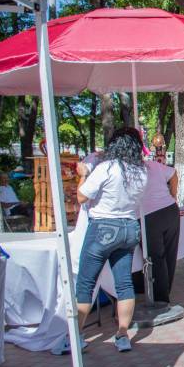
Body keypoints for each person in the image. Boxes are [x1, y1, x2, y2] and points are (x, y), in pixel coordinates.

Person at [58, 127, 148, 354]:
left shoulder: (106, 167)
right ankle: (123, 334)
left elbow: (81, 197)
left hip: (103, 227)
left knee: (86, 283)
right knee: (124, 283)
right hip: (129, 227)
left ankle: (75, 337)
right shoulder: (141, 171)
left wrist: (82, 174)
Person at [132, 159, 179, 303]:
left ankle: (160, 298)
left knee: (155, 257)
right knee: (169, 254)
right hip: (169, 210)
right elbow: (173, 174)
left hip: (149, 215)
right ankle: (163, 293)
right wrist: (172, 196)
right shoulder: (151, 164)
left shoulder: (127, 167)